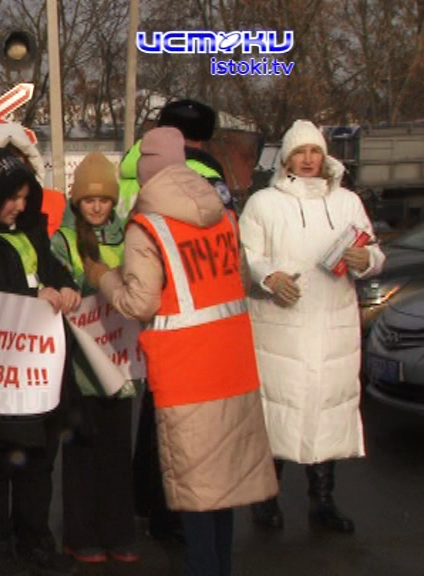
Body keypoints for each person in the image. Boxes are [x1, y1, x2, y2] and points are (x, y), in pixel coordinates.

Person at [84, 127, 277, 576]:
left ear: (147, 171)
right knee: (226, 489)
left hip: (186, 373)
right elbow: (241, 279)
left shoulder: (147, 225)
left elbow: (140, 302)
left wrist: (102, 276)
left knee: (196, 492)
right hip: (235, 367)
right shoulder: (224, 215)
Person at [240, 120, 384, 534]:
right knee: (277, 411)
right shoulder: (264, 203)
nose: (307, 160)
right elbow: (245, 254)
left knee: (327, 410)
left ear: (325, 157)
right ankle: (265, 500)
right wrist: (268, 277)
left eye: (314, 152)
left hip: (332, 323)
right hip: (280, 326)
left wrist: (367, 261)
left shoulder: (347, 203)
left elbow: (371, 249)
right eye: (300, 152)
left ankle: (323, 500)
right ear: (286, 157)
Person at [0, 147, 81, 576]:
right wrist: (31, 298)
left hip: (39, 371)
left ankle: (35, 541)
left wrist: (64, 287)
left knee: (38, 464)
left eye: (26, 198)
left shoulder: (31, 230)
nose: (20, 206)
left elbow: (52, 271)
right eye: (12, 197)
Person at [117, 98, 231, 542]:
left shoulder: (125, 171)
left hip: (133, 312)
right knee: (187, 432)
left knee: (151, 417)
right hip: (187, 316)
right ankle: (171, 512)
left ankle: (143, 498)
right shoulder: (203, 177)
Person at [50, 152, 138, 565]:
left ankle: (119, 532)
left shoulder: (130, 237)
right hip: (82, 365)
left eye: (104, 199)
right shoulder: (64, 240)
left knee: (119, 453)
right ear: (76, 202)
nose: (97, 207)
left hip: (123, 361)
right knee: (84, 451)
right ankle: (81, 534)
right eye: (89, 200)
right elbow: (60, 281)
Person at [0, 122, 67, 236]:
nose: (11, 163)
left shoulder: (55, 202)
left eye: (15, 156)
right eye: (3, 158)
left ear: (28, 159)